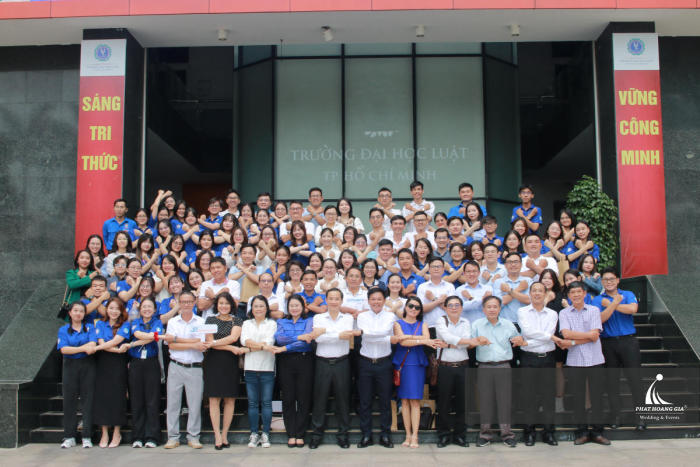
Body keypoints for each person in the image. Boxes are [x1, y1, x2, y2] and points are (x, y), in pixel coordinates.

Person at [592, 267, 645, 431]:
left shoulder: (627, 294)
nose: (608, 282)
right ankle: (616, 417)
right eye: (605, 279)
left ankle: (641, 418)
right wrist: (615, 304)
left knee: (635, 380)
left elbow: (633, 309)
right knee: (611, 382)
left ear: (617, 280)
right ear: (602, 282)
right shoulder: (598, 299)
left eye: (611, 279)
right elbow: (600, 319)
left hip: (628, 342)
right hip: (608, 343)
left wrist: (611, 304)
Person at [559, 281, 610, 446]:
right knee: (578, 398)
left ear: (584, 293)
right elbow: (566, 334)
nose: (576, 295)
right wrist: (586, 335)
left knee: (597, 398)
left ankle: (598, 432)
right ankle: (581, 432)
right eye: (572, 292)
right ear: (569, 295)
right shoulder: (564, 313)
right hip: (575, 361)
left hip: (595, 359)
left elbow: (595, 336)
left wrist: (573, 341)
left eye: (578, 292)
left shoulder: (594, 310)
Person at [471, 296, 527, 448]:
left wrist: (519, 340)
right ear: (483, 309)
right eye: (488, 307)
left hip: (503, 366)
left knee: (504, 401)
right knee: (485, 401)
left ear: (500, 309)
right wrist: (477, 341)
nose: (492, 309)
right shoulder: (476, 324)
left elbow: (518, 340)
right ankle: (485, 434)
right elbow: (469, 344)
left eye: (495, 306)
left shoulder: (508, 324)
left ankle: (507, 434)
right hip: (484, 366)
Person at [307, 288, 357, 449]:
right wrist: (336, 334)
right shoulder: (318, 317)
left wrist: (325, 332)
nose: (334, 301)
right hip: (322, 363)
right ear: (326, 300)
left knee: (343, 400)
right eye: (331, 298)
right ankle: (316, 435)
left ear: (341, 301)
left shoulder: (347, 318)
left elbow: (346, 336)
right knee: (319, 400)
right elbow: (319, 339)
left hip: (342, 362)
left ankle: (343, 435)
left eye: (337, 299)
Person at [392, 297, 442, 449]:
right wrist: (420, 340)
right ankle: (407, 434)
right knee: (404, 401)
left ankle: (415, 435)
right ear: (405, 307)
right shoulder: (397, 323)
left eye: (417, 307)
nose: (413, 309)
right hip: (403, 364)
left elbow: (426, 339)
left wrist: (410, 337)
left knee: (415, 401)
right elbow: (403, 342)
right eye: (411, 306)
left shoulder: (423, 324)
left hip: (417, 364)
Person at [517, 282, 562, 446]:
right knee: (528, 397)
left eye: (540, 291)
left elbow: (546, 333)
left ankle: (549, 432)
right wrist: (549, 338)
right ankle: (529, 432)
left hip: (547, 358)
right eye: (534, 290)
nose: (537, 293)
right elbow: (527, 332)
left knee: (548, 397)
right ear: (530, 293)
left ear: (545, 294)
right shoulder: (522, 311)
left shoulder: (552, 314)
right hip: (528, 358)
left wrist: (528, 342)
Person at [435, 296, 481, 448]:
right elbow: (447, 337)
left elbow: (464, 341)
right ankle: (443, 435)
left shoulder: (466, 322)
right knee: (444, 403)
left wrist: (449, 345)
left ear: (461, 308)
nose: (454, 308)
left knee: (463, 403)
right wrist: (466, 342)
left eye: (457, 305)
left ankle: (460, 435)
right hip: (445, 367)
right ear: (445, 308)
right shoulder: (441, 321)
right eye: (450, 305)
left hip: (463, 366)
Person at [164, 291, 207, 449]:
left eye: (189, 301)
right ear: (179, 304)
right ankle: (173, 437)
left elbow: (201, 344)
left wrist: (177, 340)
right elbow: (171, 345)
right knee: (173, 404)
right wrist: (191, 343)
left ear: (194, 302)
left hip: (194, 367)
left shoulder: (202, 321)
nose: (186, 304)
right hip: (176, 366)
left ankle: (193, 436)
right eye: (183, 302)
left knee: (194, 405)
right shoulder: (173, 322)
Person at [203, 292, 246, 449]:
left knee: (229, 399)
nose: (224, 306)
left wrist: (215, 343)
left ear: (231, 305)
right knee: (214, 399)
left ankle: (225, 435)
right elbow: (208, 340)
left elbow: (233, 338)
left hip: (230, 363)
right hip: (213, 361)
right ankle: (217, 435)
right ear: (217, 305)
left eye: (227, 303)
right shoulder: (210, 319)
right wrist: (230, 348)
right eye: (221, 303)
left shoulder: (237, 320)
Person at [356, 287, 396, 448]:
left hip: (384, 362)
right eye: (373, 299)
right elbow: (365, 335)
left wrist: (372, 334)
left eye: (379, 299)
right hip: (365, 362)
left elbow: (381, 332)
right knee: (365, 401)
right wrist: (384, 336)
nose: (376, 302)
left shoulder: (390, 316)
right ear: (368, 301)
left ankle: (385, 435)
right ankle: (366, 435)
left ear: (384, 300)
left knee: (385, 400)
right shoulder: (362, 316)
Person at [275, 294, 315, 447]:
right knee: (288, 398)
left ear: (303, 307)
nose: (294, 308)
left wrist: (287, 345)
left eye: (297, 305)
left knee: (303, 397)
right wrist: (299, 337)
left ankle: (300, 433)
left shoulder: (309, 321)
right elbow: (279, 339)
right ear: (288, 307)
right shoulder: (281, 321)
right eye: (291, 305)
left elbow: (306, 343)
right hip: (285, 361)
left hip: (304, 360)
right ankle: (291, 433)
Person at [126, 296, 166, 448]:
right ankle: (137, 436)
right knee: (137, 400)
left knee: (152, 400)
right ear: (140, 309)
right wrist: (153, 336)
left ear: (154, 309)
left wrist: (134, 344)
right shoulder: (135, 322)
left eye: (150, 307)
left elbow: (154, 338)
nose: (147, 309)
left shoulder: (157, 322)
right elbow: (138, 334)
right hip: (136, 363)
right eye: (144, 307)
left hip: (151, 363)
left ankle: (152, 437)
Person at [240, 295, 280, 448]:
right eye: (255, 306)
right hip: (250, 367)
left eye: (261, 306)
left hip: (267, 368)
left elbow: (270, 341)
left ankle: (266, 434)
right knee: (252, 403)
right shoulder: (246, 323)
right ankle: (254, 433)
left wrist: (252, 347)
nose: (258, 309)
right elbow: (245, 341)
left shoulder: (272, 324)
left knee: (266, 403)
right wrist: (262, 346)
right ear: (251, 308)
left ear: (266, 308)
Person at [57, 301, 97, 448]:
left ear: (84, 314)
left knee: (88, 400)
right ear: (70, 313)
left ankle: (87, 436)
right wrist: (82, 348)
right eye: (75, 310)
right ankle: (69, 436)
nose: (78, 313)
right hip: (70, 366)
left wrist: (79, 348)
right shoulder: (63, 330)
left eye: (81, 311)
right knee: (69, 401)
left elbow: (92, 347)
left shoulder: (90, 327)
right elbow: (64, 349)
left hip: (87, 365)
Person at [92, 298, 129, 448]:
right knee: (103, 396)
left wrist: (97, 349)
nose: (114, 311)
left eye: (117, 309)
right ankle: (104, 432)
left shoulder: (125, 325)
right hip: (103, 363)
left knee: (117, 396)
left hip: (119, 364)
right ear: (106, 309)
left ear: (121, 311)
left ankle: (117, 432)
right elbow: (102, 343)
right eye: (111, 308)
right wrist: (116, 350)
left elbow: (116, 341)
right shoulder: (100, 324)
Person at [417, 257, 456, 332]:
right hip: (428, 326)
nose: (436, 269)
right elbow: (421, 309)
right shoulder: (422, 287)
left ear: (443, 269)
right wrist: (439, 301)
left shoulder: (450, 286)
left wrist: (433, 298)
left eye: (439, 266)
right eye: (433, 266)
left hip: (447, 326)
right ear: (429, 269)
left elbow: (452, 309)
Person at [492, 252, 531, 324]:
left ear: (521, 264)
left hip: (525, 323)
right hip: (504, 323)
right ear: (505, 265)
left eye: (516, 262)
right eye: (510, 262)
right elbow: (499, 303)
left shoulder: (528, 281)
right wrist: (519, 289)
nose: (513, 264)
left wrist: (509, 291)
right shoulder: (499, 282)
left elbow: (529, 300)